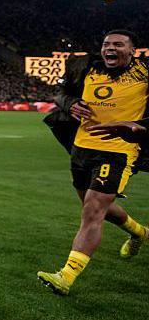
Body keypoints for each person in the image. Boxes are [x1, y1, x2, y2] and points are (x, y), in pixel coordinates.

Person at [37, 31, 149, 295]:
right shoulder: (87, 69)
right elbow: (60, 93)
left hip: (119, 151)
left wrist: (138, 127)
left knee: (93, 210)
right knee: (97, 207)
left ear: (133, 50)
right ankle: (140, 232)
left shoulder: (145, 74)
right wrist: (70, 103)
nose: (110, 48)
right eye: (106, 44)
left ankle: (66, 276)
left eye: (118, 44)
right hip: (82, 148)